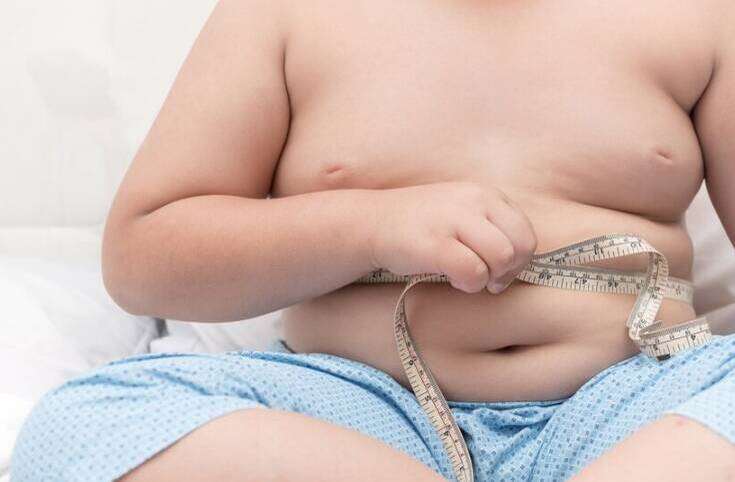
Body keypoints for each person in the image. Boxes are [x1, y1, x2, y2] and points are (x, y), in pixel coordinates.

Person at [11, 0, 735, 480]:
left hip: (639, 406)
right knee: (81, 427)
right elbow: (143, 259)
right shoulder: (284, 13)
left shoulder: (698, 14)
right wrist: (372, 226)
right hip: (353, 413)